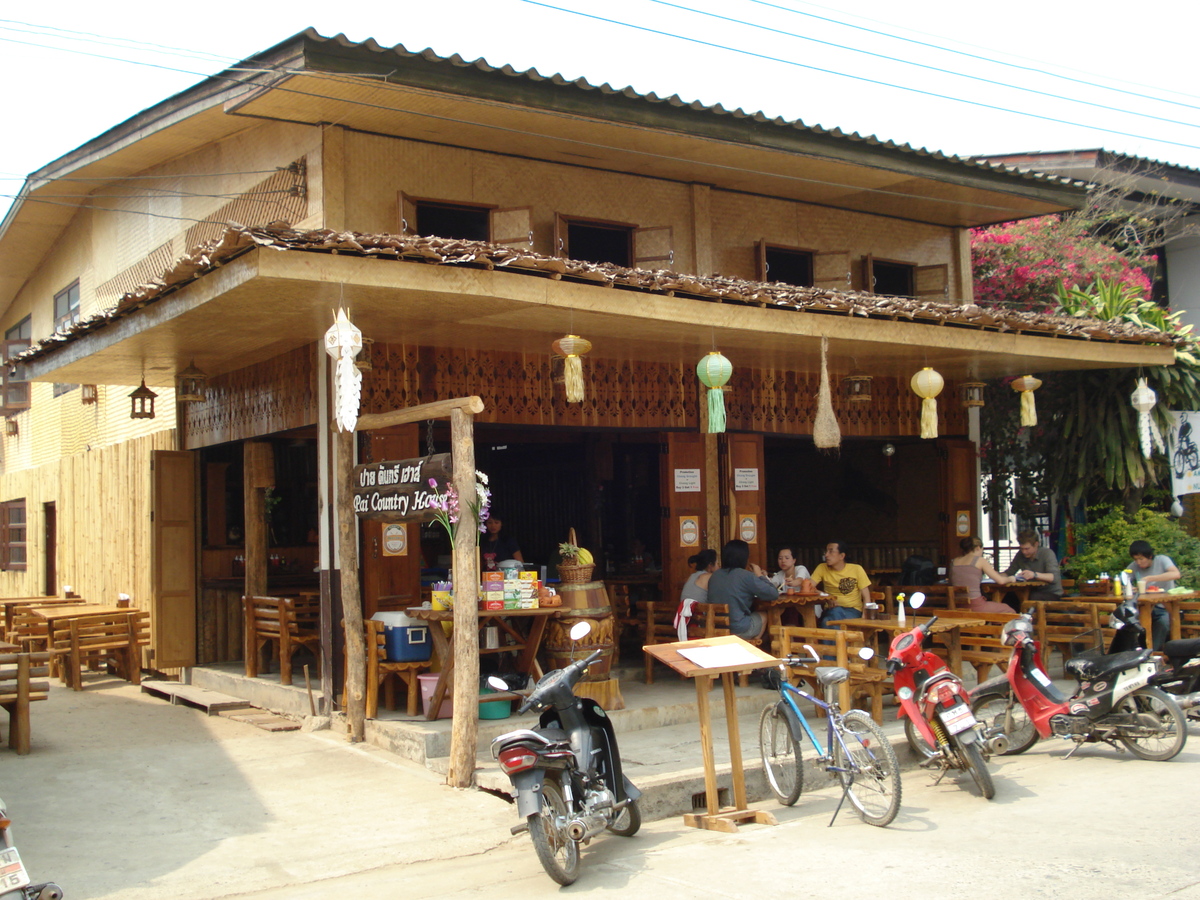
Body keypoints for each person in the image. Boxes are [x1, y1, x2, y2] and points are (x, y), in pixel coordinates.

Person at [706, 539, 773, 641]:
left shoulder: (715, 575)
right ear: (744, 558)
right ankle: (753, 647)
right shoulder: (746, 575)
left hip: (716, 628)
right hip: (738, 630)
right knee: (763, 615)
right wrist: (759, 574)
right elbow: (773, 593)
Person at [1129, 540, 1181, 650]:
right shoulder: (1134, 566)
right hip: (1144, 608)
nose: (1138, 562)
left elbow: (1176, 574)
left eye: (1141, 559)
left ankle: (1150, 653)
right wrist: (1129, 587)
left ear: (1150, 556)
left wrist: (1150, 578)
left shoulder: (1162, 560)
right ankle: (1130, 653)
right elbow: (1122, 578)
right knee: (1129, 621)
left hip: (1165, 607)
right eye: (1136, 559)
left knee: (1163, 622)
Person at [809, 541, 871, 625]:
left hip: (852, 611)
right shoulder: (822, 568)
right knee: (833, 615)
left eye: (831, 551)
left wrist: (865, 616)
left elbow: (866, 596)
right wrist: (826, 596)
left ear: (842, 556)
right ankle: (838, 637)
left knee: (826, 621)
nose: (826, 555)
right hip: (831, 610)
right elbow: (808, 587)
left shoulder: (857, 569)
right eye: (826, 551)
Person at [950, 536, 1016, 614]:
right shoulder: (980, 561)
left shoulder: (954, 562)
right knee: (1008, 609)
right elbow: (1000, 581)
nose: (982, 553)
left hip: (958, 605)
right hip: (975, 605)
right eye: (982, 550)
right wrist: (1011, 578)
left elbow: (951, 582)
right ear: (978, 548)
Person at [1002, 529, 1062, 611]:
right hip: (1029, 592)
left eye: (1027, 549)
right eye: (1022, 549)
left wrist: (1034, 574)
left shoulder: (1047, 553)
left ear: (1036, 544)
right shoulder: (1020, 555)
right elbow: (1009, 572)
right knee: (1008, 596)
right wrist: (994, 575)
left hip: (1052, 594)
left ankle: (1029, 622)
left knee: (1033, 597)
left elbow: (1054, 577)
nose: (1024, 552)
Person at [675, 549, 717, 640]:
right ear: (710, 565)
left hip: (686, 625)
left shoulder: (691, 576)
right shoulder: (710, 577)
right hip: (699, 625)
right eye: (717, 563)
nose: (719, 566)